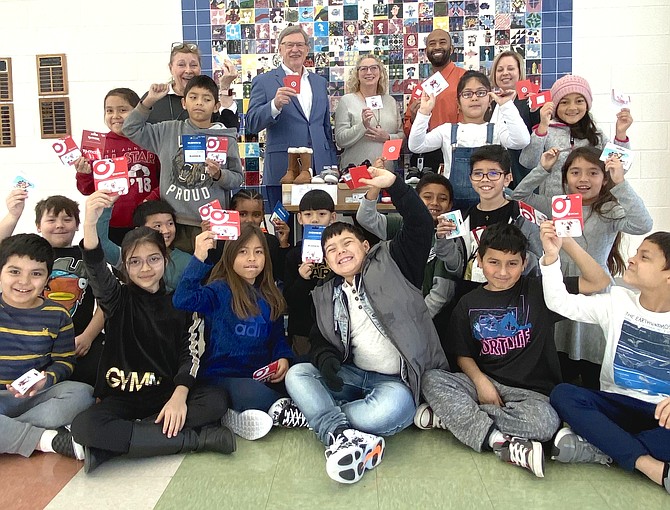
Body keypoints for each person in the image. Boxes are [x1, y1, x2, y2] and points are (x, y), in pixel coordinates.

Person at [284, 166, 448, 485]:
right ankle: (344, 435)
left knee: (392, 410)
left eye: (347, 244)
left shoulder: (395, 263)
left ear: (363, 245)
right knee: (298, 373)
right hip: (353, 375)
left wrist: (395, 186)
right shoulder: (326, 292)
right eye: (331, 250)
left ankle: (320, 418)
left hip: (394, 382)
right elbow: (320, 343)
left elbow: (420, 224)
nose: (340, 252)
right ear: (327, 262)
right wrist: (326, 361)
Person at [420, 222, 611, 477]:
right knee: (431, 379)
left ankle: (456, 418)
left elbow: (598, 281)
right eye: (494, 262)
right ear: (479, 260)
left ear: (524, 264)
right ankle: (497, 439)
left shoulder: (541, 291)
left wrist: (564, 243)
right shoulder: (468, 302)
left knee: (545, 424)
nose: (502, 272)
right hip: (484, 385)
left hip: (531, 395)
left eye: (512, 263)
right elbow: (462, 353)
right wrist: (480, 382)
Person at [70, 192, 235, 474]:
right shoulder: (116, 298)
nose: (145, 268)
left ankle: (116, 444)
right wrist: (89, 223)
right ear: (124, 265)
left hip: (167, 393)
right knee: (84, 426)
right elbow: (96, 267)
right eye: (135, 262)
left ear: (165, 259)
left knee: (216, 400)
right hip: (123, 397)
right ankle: (194, 440)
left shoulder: (181, 303)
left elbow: (191, 353)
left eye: (153, 259)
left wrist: (179, 396)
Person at [511, 146, 653, 387]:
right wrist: (543, 168)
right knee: (559, 354)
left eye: (593, 173)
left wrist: (620, 183)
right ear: (565, 177)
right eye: (575, 172)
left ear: (604, 177)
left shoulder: (610, 209)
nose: (583, 179)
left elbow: (643, 224)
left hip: (596, 288)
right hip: (560, 286)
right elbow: (518, 197)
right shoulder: (558, 205)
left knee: (592, 359)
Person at [542, 229, 670, 496]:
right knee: (563, 394)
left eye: (644, 257)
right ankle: (651, 467)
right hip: (616, 404)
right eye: (635, 253)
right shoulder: (618, 302)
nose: (632, 259)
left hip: (660, 415)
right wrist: (552, 257)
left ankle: (602, 445)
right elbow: (559, 303)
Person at [173, 224, 306, 441]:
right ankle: (278, 409)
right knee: (255, 393)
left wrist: (282, 357)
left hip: (261, 372)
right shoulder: (219, 290)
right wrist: (198, 257)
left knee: (303, 372)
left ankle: (243, 414)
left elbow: (277, 335)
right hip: (223, 375)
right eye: (243, 252)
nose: (252, 258)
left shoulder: (270, 293)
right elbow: (182, 299)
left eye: (258, 252)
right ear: (230, 256)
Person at [123, 75, 244, 254]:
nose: (199, 103)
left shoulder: (225, 137)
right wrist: (148, 101)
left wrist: (219, 174)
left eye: (207, 99)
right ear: (184, 103)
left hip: (210, 224)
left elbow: (237, 179)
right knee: (175, 276)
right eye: (193, 97)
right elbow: (130, 129)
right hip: (173, 225)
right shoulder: (167, 130)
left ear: (216, 106)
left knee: (209, 275)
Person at [0, 233, 94, 458]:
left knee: (83, 394)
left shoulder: (58, 314)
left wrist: (47, 379)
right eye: (14, 272)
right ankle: (46, 440)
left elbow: (64, 362)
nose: (24, 282)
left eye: (36, 274)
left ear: (47, 278)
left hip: (32, 399)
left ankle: (10, 433)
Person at [0, 191, 105, 387]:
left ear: (77, 225)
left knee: (86, 383)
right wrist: (13, 215)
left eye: (67, 219)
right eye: (51, 219)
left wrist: (88, 337)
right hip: (35, 341)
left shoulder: (87, 254)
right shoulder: (26, 254)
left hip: (79, 338)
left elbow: (108, 299)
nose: (59, 225)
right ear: (38, 226)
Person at [356, 172, 457, 351]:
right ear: (415, 200)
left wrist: (415, 321)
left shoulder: (451, 234)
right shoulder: (403, 225)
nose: (434, 203)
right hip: (394, 314)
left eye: (442, 199)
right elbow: (366, 218)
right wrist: (375, 186)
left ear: (450, 205)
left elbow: (442, 293)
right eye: (427, 197)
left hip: (429, 321)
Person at [434, 145, 543, 301]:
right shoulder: (462, 218)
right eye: (478, 174)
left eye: (493, 173)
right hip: (469, 296)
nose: (485, 179)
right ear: (470, 178)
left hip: (513, 297)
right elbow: (456, 267)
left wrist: (512, 255)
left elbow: (538, 266)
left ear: (507, 178)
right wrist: (443, 240)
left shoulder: (523, 216)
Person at [409, 71, 530, 210]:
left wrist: (506, 105)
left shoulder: (497, 129)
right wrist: (424, 112)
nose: (474, 98)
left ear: (490, 99)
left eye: (480, 93)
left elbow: (522, 141)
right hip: (456, 211)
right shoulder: (447, 130)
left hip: (493, 208)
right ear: (458, 103)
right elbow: (416, 146)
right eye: (467, 94)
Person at [245, 26, 337, 207]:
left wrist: (332, 164)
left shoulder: (319, 82)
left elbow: (325, 128)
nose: (295, 49)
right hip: (282, 169)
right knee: (283, 229)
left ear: (307, 49)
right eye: (289, 45)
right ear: (280, 49)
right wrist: (274, 105)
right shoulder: (264, 81)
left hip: (319, 169)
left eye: (299, 45)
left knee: (318, 227)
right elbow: (251, 123)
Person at [519, 74, 633, 197]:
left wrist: (621, 134)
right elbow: (528, 162)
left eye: (579, 101)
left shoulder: (596, 134)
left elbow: (620, 170)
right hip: (553, 207)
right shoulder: (546, 131)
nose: (572, 107)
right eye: (564, 102)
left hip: (591, 207)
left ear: (587, 104)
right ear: (555, 106)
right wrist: (542, 127)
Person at [73, 88, 161, 245]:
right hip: (112, 223)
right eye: (109, 110)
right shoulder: (97, 145)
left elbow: (165, 180)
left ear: (137, 113)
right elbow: (86, 189)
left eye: (123, 110)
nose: (115, 116)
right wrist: (83, 173)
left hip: (148, 221)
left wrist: (151, 200)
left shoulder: (151, 139)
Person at [94, 195, 191, 292]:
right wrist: (107, 205)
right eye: (157, 225)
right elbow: (100, 243)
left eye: (170, 223)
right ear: (139, 230)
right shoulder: (128, 256)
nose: (165, 230)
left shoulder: (187, 261)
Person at [403, 29, 466, 171]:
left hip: (457, 151)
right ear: (426, 51)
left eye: (442, 42)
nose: (437, 46)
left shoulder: (466, 79)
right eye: (432, 43)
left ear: (451, 49)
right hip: (426, 155)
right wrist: (414, 119)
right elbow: (408, 132)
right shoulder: (420, 88)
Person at [283, 190, 337, 357]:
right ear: (300, 218)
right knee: (303, 366)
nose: (315, 219)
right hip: (302, 329)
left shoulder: (339, 253)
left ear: (332, 217)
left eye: (322, 214)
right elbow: (289, 300)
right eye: (308, 214)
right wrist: (302, 279)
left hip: (334, 329)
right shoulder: (293, 255)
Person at [144, 42, 239, 129]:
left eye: (193, 65)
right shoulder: (153, 99)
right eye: (181, 65)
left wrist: (225, 87)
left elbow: (229, 132)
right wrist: (148, 101)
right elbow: (134, 130)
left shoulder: (210, 98)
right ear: (170, 68)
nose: (188, 70)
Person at [204, 189, 291, 283]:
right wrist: (208, 245)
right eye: (243, 214)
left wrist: (283, 245)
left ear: (262, 216)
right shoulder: (221, 242)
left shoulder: (270, 242)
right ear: (231, 213)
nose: (249, 220)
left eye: (256, 215)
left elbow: (281, 276)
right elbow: (208, 277)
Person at [334, 54, 404, 171]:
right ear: (357, 74)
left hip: (386, 173)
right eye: (364, 69)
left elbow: (402, 136)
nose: (369, 72)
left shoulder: (390, 101)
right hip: (356, 172)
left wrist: (387, 137)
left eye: (373, 68)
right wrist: (363, 126)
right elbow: (341, 141)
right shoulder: (347, 101)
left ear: (380, 72)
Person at [489, 50, 540, 187]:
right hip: (493, 177)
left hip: (523, 177)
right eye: (500, 70)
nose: (505, 73)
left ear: (520, 72)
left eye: (510, 68)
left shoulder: (531, 102)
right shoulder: (490, 104)